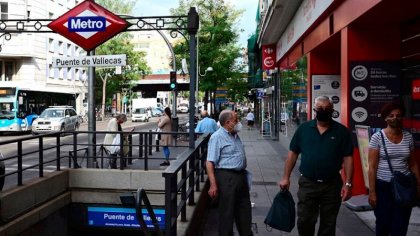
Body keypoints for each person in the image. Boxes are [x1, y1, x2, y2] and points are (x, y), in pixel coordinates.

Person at [278, 96, 353, 236]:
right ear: (314, 110)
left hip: (332, 184)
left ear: (332, 110)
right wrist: (285, 177)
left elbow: (348, 157)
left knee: (328, 223)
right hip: (308, 183)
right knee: (305, 220)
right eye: (320, 108)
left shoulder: (342, 132)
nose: (323, 111)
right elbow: (292, 154)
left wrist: (348, 183)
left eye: (327, 109)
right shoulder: (303, 129)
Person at [367, 102, 420, 236]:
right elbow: (372, 167)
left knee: (401, 225)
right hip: (383, 186)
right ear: (385, 118)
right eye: (391, 115)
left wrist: (418, 185)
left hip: (404, 185)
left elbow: (412, 163)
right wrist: (372, 192)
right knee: (383, 223)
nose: (395, 118)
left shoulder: (408, 137)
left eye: (398, 115)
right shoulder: (377, 137)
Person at [206, 110, 252, 236]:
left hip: (240, 177)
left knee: (244, 210)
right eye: (236, 120)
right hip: (227, 178)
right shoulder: (217, 137)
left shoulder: (235, 134)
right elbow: (210, 162)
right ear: (228, 123)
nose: (238, 122)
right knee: (227, 213)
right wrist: (213, 185)